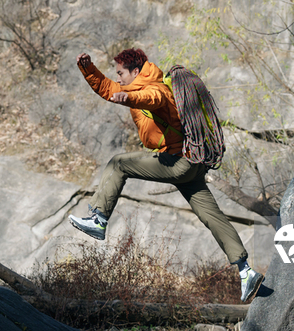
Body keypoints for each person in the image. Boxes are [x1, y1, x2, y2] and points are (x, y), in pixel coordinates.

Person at [68, 48, 264, 302]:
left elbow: (151, 99)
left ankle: (99, 218)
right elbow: (108, 89)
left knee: (118, 164)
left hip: (177, 161)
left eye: (120, 74)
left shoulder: (156, 89)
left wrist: (130, 100)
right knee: (212, 215)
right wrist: (88, 69)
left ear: (135, 72)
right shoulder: (142, 85)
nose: (117, 79)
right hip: (191, 163)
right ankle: (245, 271)